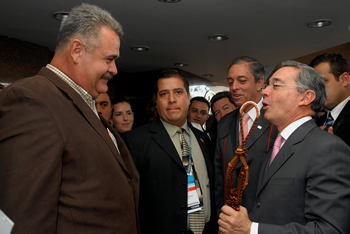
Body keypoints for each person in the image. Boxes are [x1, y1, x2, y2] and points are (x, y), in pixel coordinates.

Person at [0, 4, 139, 233]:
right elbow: (24, 217)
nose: (114, 69)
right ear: (76, 50)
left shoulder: (80, 102)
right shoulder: (31, 100)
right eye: (109, 59)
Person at [218, 61, 350, 234]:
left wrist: (251, 229)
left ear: (305, 97)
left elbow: (330, 229)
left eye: (276, 85)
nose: (264, 91)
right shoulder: (280, 144)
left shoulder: (328, 149)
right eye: (267, 85)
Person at [122, 69, 217, 234]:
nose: (171, 100)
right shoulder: (136, 141)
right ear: (157, 101)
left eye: (178, 92)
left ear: (188, 97)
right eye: (164, 94)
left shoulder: (203, 139)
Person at [214, 56, 278, 218]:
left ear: (259, 83)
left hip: (264, 219)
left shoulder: (276, 119)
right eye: (230, 82)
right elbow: (219, 174)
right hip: (230, 217)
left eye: (241, 81)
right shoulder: (225, 123)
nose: (234, 87)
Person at [309, 53, 350, 146]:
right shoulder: (317, 124)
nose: (317, 90)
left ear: (344, 79)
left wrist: (334, 148)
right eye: (313, 86)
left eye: (323, 82)